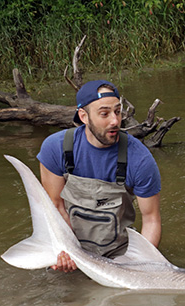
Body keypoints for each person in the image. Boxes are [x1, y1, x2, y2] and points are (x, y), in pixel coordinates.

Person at [37, 80, 162, 272]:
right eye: (104, 114)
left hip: (118, 255)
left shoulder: (140, 159)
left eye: (118, 112)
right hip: (70, 247)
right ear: (84, 116)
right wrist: (66, 251)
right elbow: (55, 207)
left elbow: (151, 219)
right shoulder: (55, 148)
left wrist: (140, 266)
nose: (115, 121)